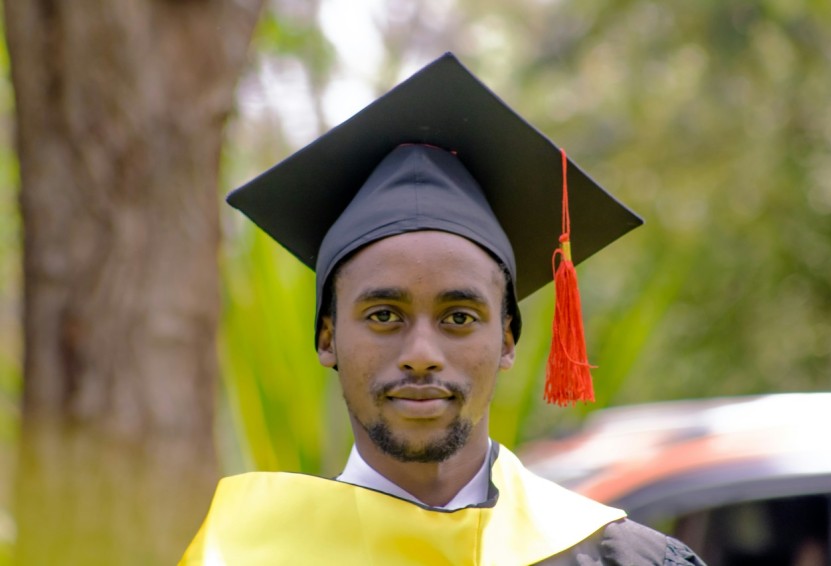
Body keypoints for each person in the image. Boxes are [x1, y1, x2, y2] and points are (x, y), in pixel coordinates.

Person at [180, 53, 705, 565]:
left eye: (458, 317)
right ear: (327, 337)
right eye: (385, 315)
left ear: (506, 340)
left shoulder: (620, 559)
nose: (422, 355)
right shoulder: (242, 556)